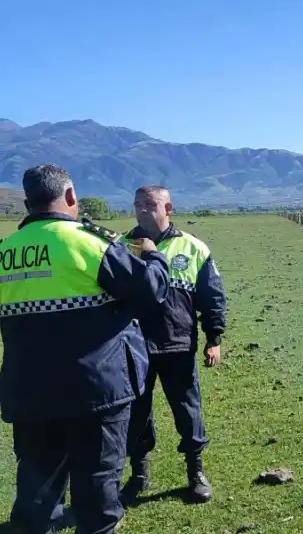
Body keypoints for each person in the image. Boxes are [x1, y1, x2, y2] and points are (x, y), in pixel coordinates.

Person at [0, 164, 170, 534]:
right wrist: (154, 255)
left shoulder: (6, 251)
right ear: (72, 196)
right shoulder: (88, 243)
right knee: (96, 500)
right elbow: (151, 291)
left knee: (37, 498)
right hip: (94, 395)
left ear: (28, 203)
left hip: (28, 396)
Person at [121, 186, 227, 504]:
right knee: (135, 414)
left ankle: (196, 473)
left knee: (187, 411)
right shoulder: (122, 247)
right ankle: (139, 475)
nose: (142, 209)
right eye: (138, 204)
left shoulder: (193, 247)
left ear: (169, 207)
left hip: (177, 344)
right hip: (133, 347)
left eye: (150, 204)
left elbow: (212, 297)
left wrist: (214, 338)